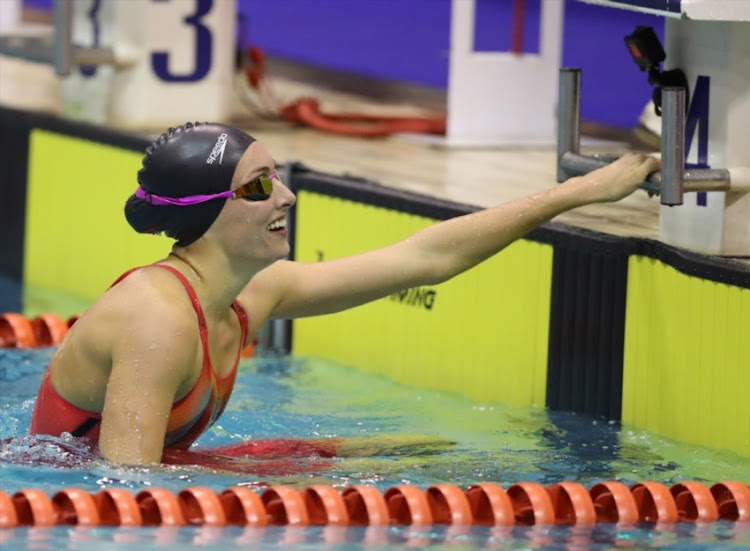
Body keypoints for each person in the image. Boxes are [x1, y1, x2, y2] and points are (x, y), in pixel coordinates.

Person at [29, 122, 659, 466]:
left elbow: (426, 259)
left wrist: (580, 194)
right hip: (61, 489)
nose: (286, 196)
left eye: (276, 178)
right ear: (208, 213)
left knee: (428, 455)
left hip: (163, 475)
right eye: (258, 187)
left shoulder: (253, 293)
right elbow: (126, 490)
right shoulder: (156, 318)